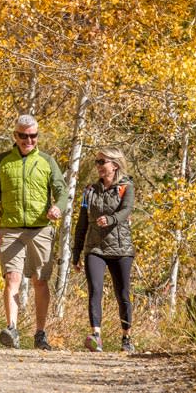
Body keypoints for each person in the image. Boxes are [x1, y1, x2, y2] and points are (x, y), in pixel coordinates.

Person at [0, 114, 68, 350]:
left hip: (41, 229)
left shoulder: (47, 161)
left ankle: (40, 333)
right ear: (15, 136)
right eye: (23, 136)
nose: (29, 140)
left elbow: (62, 192)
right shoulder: (2, 162)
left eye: (33, 136)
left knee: (40, 281)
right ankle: (12, 329)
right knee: (12, 278)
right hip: (10, 229)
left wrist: (57, 208)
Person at [72, 147, 136, 353]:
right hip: (95, 248)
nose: (98, 166)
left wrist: (111, 219)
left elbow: (126, 210)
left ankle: (126, 336)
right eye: (97, 162)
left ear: (114, 165)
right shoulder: (89, 191)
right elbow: (82, 223)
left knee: (123, 293)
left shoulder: (126, 187)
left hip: (121, 248)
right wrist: (76, 253)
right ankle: (96, 336)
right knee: (95, 290)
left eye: (102, 162)